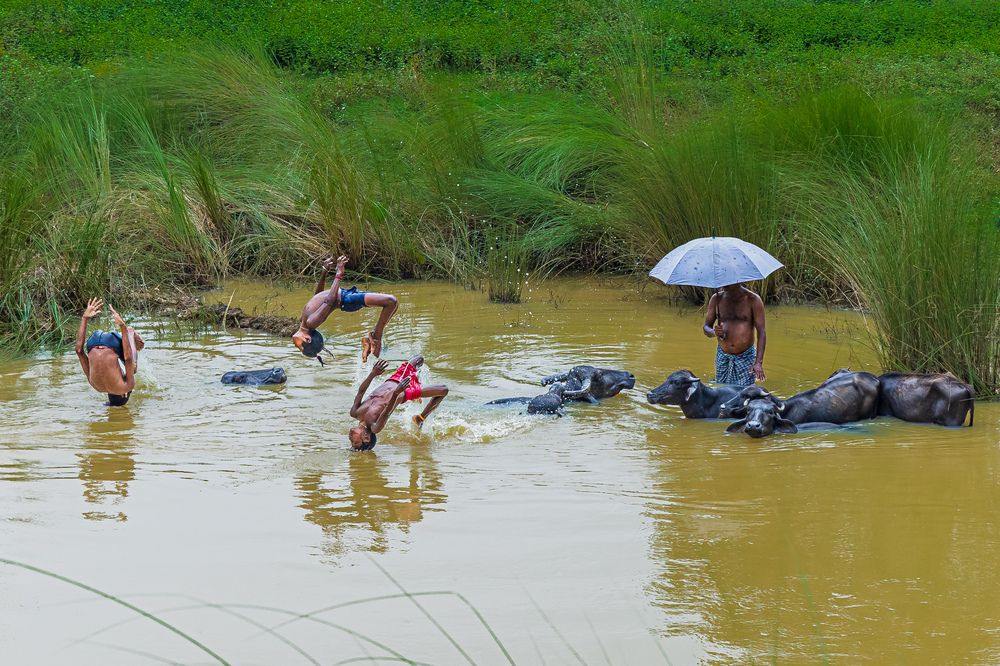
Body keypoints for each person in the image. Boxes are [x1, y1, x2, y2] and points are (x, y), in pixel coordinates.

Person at [292, 255, 399, 363]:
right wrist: (338, 273)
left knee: (394, 305)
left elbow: (318, 296)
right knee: (391, 302)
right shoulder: (311, 323)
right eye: (299, 347)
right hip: (347, 300)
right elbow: (329, 300)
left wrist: (324, 272)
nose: (295, 345)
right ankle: (375, 338)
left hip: (346, 296)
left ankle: (371, 341)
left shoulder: (304, 321)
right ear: (307, 339)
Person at [348, 356, 449, 451]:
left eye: (351, 441)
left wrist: (373, 374)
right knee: (444, 389)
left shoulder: (355, 412)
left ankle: (417, 383)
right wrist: (397, 392)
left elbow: (361, 392)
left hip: (395, 379)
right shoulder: (375, 427)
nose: (351, 439)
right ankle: (421, 418)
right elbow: (387, 411)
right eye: (355, 442)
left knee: (419, 359)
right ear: (366, 438)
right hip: (403, 392)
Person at [76, 298, 145, 406]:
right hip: (93, 341)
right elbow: (79, 351)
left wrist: (122, 326)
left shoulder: (126, 387)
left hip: (111, 342)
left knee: (133, 368)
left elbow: (128, 358)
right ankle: (128, 334)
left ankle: (129, 332)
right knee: (129, 366)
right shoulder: (95, 385)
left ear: (124, 395)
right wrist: (84, 318)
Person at [703, 283, 766, 386]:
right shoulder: (716, 299)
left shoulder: (753, 300)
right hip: (723, 356)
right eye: (723, 281)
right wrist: (714, 332)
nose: (724, 285)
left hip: (746, 357)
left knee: (744, 393)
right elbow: (706, 327)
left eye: (728, 282)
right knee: (721, 391)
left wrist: (758, 363)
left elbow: (761, 332)